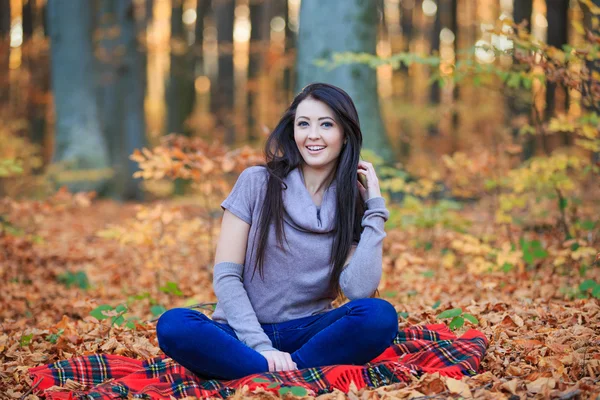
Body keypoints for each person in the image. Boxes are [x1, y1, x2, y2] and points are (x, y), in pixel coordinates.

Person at [156, 82, 399, 380]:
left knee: (379, 316)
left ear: (345, 134)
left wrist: (375, 208)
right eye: (303, 124)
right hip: (240, 332)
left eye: (326, 124)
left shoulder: (352, 202)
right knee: (174, 324)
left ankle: (267, 371)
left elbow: (359, 291)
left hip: (307, 332)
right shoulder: (257, 183)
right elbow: (227, 276)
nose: (313, 135)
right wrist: (261, 346)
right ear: (292, 130)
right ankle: (286, 370)